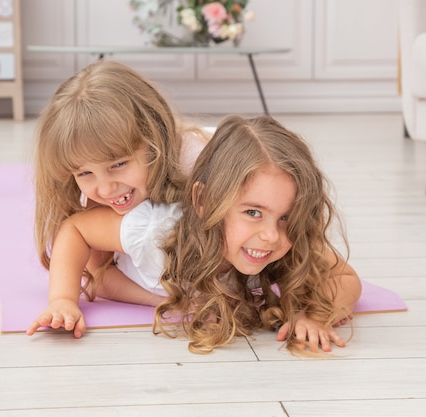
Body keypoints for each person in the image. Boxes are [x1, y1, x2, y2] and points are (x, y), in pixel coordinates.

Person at [26, 59, 208, 338]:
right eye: (84, 172)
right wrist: (62, 300)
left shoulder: (196, 163)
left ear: (153, 143)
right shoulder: (100, 198)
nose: (106, 188)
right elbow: (99, 277)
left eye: (118, 164)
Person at [154, 115, 362, 355]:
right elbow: (100, 264)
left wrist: (313, 316)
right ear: (203, 201)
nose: (272, 236)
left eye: (286, 216)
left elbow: (346, 276)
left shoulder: (284, 243)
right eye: (253, 212)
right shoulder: (154, 234)